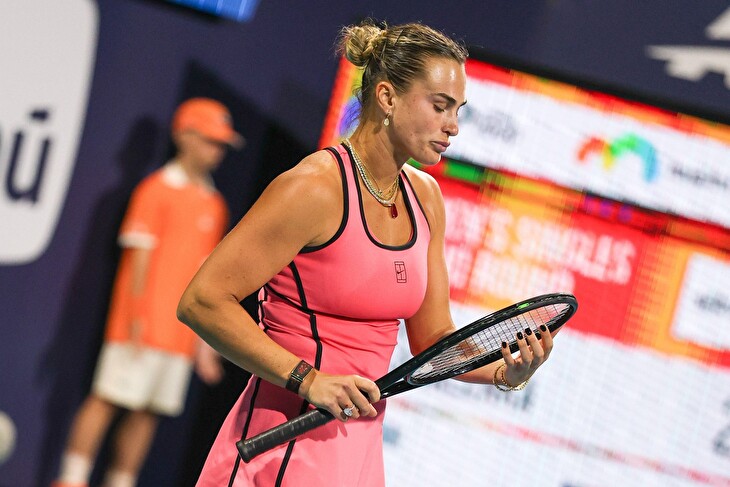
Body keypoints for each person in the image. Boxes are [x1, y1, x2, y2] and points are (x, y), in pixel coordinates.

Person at [177, 21, 556, 487]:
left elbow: (434, 339)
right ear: (387, 97)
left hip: (357, 455)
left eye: (458, 110)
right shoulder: (314, 189)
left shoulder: (426, 199)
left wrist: (505, 372)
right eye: (439, 106)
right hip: (280, 449)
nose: (453, 127)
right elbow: (202, 301)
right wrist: (309, 379)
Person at [53, 98, 243, 487]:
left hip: (180, 335)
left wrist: (203, 344)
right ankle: (71, 479)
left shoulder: (215, 204)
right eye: (210, 140)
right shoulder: (155, 190)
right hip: (138, 326)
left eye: (221, 144)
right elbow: (137, 262)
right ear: (184, 136)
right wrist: (134, 317)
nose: (217, 151)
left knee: (149, 413)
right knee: (107, 398)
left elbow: (206, 278)